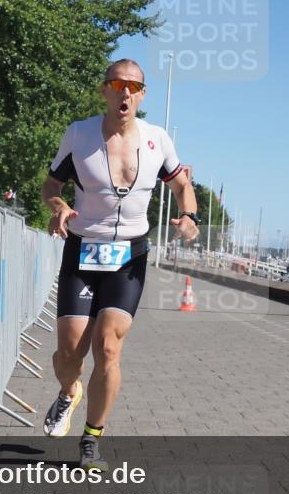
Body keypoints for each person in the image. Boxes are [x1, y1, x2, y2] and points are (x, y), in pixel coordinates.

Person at [40, 58, 199, 471]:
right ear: (104, 90)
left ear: (143, 95)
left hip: (130, 253)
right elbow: (51, 184)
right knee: (68, 355)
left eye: (133, 86)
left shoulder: (157, 139)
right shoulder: (79, 134)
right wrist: (57, 205)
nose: (125, 92)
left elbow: (182, 183)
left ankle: (92, 438)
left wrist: (190, 215)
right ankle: (68, 389)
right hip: (82, 249)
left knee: (108, 347)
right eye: (116, 83)